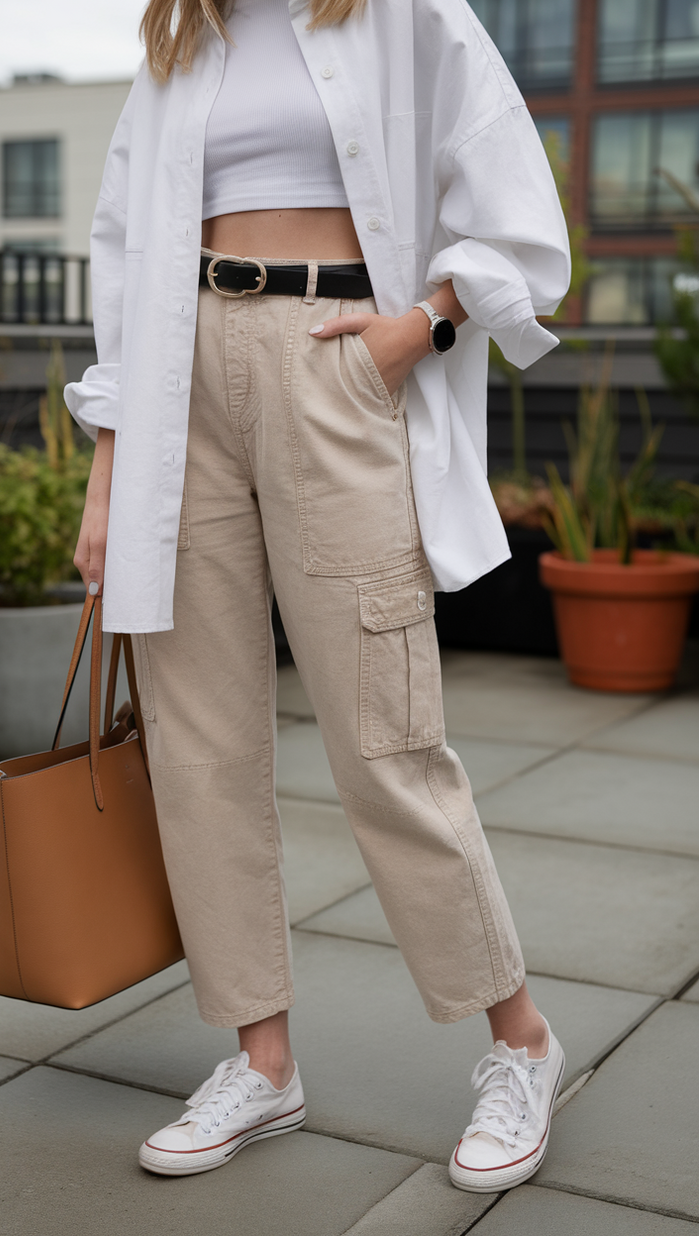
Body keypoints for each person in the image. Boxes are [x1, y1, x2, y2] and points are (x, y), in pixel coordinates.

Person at [66, 0, 571, 1192]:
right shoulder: (182, 36)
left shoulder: (403, 12)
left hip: (333, 355)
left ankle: (520, 1042)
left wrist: (423, 325)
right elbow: (126, 249)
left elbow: (509, 195)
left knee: (382, 732)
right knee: (198, 744)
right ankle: (262, 1058)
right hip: (181, 379)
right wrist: (104, 471)